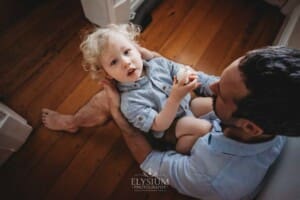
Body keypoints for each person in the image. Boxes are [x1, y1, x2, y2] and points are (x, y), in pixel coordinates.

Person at [103, 46, 300, 200]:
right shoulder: (278, 111)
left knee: (106, 100)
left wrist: (118, 115)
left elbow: (151, 162)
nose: (213, 86)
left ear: (249, 127)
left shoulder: (211, 178)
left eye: (221, 93)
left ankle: (77, 121)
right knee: (196, 102)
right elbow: (205, 81)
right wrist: (155, 58)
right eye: (220, 80)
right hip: (197, 125)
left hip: (185, 147)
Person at [42, 23, 213, 154]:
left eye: (127, 52)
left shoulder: (157, 63)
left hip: (187, 107)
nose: (125, 62)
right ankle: (209, 142)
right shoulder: (130, 102)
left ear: (138, 50)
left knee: (209, 104)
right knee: (203, 128)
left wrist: (188, 73)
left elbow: (178, 69)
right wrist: (175, 98)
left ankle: (227, 124)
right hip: (172, 129)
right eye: (113, 62)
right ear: (107, 74)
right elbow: (159, 125)